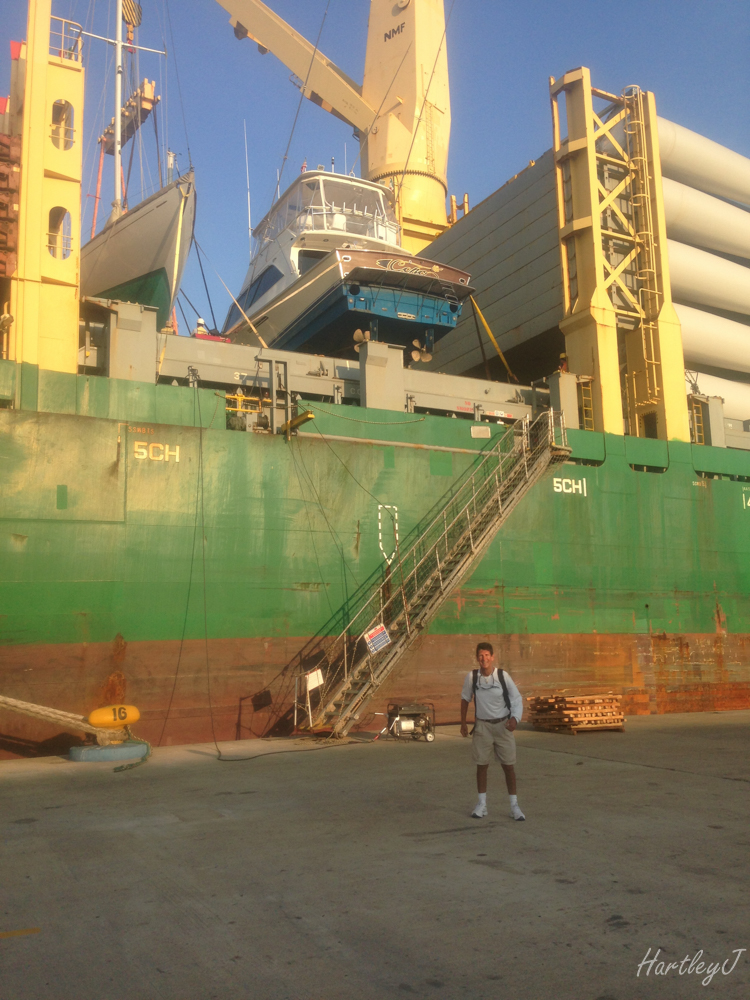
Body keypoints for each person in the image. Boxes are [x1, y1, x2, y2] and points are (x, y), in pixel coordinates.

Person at [460, 642, 525, 821]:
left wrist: (515, 719)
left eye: (487, 655)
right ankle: (482, 805)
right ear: (477, 658)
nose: (484, 659)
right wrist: (464, 723)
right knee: (481, 766)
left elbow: (516, 698)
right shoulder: (472, 677)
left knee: (508, 766)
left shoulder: (502, 676)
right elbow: (465, 699)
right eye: (481, 656)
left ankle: (514, 806)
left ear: (492, 657)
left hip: (503, 726)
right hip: (482, 727)